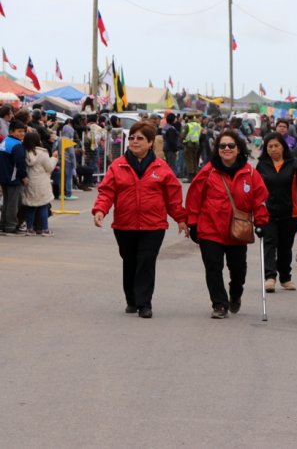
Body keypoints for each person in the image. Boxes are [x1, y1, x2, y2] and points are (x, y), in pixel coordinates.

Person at [92, 121, 188, 318]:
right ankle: (132, 300)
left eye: (140, 138)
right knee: (130, 261)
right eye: (132, 138)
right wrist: (100, 210)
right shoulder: (117, 166)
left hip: (153, 225)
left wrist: (181, 218)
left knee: (146, 261)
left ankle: (145, 303)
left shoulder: (161, 168)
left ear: (151, 142)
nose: (135, 142)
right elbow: (107, 191)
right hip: (124, 225)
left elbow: (173, 197)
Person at [185, 129, 270, 318]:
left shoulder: (250, 173)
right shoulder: (208, 171)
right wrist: (193, 223)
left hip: (237, 230)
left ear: (239, 149)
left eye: (231, 145)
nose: (227, 149)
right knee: (213, 267)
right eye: (222, 146)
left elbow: (260, 198)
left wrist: (262, 221)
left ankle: (235, 294)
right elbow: (194, 197)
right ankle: (219, 304)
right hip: (210, 229)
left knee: (238, 271)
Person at [256, 132, 297, 292]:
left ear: (283, 147)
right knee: (269, 244)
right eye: (270, 147)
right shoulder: (262, 165)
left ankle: (285, 278)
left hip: (290, 212)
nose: (273, 149)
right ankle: (270, 277)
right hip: (268, 212)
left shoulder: (294, 163)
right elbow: (256, 187)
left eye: (276, 146)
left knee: (285, 247)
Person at [21, 131, 57, 236]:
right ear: (38, 140)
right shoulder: (42, 153)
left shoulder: (24, 152)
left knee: (30, 206)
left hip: (30, 182)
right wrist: (54, 158)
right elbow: (49, 167)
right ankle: (45, 229)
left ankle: (29, 229)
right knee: (43, 205)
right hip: (41, 182)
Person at [0, 119, 29, 235]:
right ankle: (11, 226)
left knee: (7, 201)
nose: (22, 134)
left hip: (4, 177)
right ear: (11, 131)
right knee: (13, 203)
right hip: (13, 178)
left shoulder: (5, 141)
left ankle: (3, 224)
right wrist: (24, 176)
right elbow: (20, 163)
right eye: (19, 131)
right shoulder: (17, 145)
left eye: (23, 131)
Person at [181, 113, 201, 183]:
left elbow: (182, 135)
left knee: (189, 161)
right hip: (196, 144)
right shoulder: (198, 125)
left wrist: (181, 142)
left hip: (188, 144)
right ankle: (196, 175)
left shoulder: (187, 125)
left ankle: (190, 177)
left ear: (187, 118)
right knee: (195, 160)